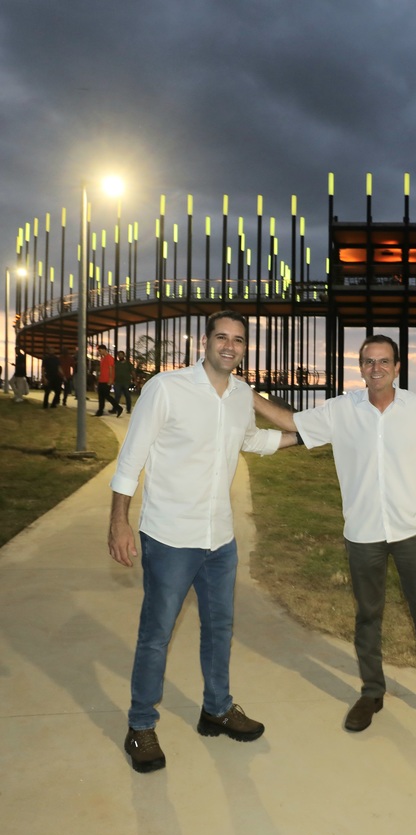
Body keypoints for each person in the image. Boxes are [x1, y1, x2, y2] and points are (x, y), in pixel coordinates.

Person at [108, 310, 297, 773]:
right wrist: (118, 522)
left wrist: (304, 437)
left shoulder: (240, 395)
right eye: (222, 337)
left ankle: (216, 708)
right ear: (205, 341)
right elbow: (131, 458)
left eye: (238, 340)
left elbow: (251, 440)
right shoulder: (166, 388)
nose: (230, 346)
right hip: (170, 537)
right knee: (156, 635)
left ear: (245, 348)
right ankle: (140, 726)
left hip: (220, 539)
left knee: (219, 630)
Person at [253, 334, 416, 737]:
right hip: (363, 532)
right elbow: (290, 423)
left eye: (384, 361)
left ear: (397, 368)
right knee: (368, 615)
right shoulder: (341, 410)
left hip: (413, 532)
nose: (376, 368)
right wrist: (248, 394)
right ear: (360, 367)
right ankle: (371, 692)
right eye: (369, 361)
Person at [95, 344, 123, 417]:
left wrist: (111, 379)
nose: (99, 352)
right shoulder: (103, 358)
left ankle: (118, 407)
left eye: (100, 351)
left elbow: (111, 369)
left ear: (104, 350)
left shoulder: (109, 358)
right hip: (102, 380)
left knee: (106, 395)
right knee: (101, 396)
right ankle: (100, 410)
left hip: (106, 380)